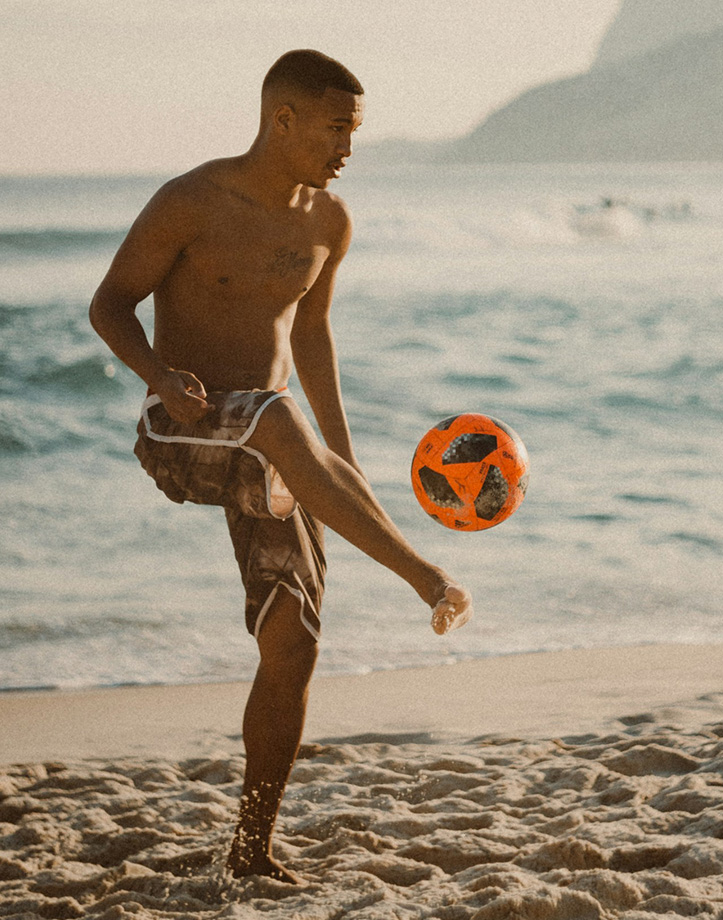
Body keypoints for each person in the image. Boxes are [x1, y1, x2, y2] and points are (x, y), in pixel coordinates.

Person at [89, 49, 472, 884]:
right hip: (184, 434)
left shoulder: (329, 222)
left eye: (355, 131)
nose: (347, 147)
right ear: (284, 119)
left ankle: (252, 847)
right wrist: (160, 377)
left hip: (273, 446)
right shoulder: (190, 201)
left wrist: (340, 461)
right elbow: (108, 303)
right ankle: (422, 573)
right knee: (275, 416)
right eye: (337, 128)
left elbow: (310, 336)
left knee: (292, 639)